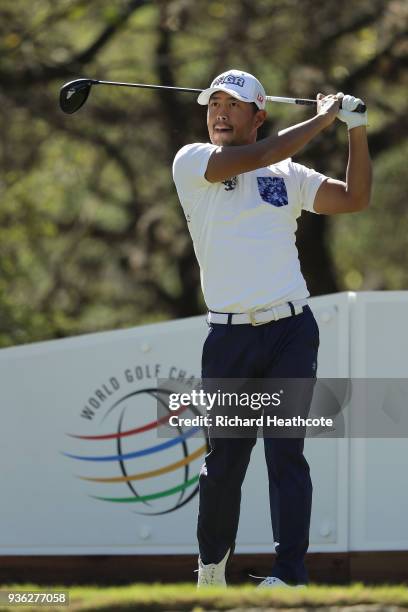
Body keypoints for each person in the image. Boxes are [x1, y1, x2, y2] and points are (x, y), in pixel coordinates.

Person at [172, 69, 371, 588]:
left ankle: (290, 575)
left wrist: (354, 129)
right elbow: (256, 157)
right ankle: (212, 569)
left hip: (290, 331)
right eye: (213, 103)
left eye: (232, 105)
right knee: (226, 462)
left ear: (258, 115)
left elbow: (353, 199)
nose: (218, 112)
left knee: (287, 454)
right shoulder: (192, 162)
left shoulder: (289, 174)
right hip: (229, 338)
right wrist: (324, 117)